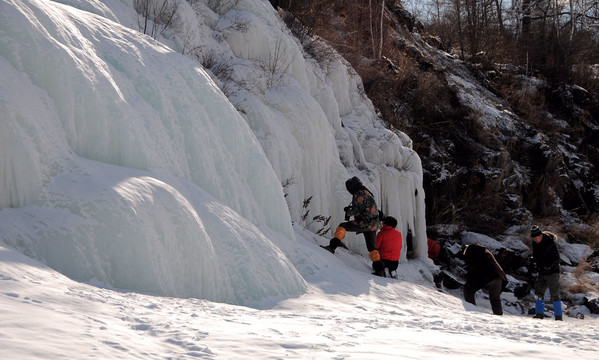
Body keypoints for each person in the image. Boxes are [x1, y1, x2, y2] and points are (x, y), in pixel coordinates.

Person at [321, 176, 383, 272]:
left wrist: (348, 212)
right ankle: (380, 271)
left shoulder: (359, 194)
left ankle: (332, 247)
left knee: (343, 226)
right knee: (372, 248)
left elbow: (357, 211)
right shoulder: (367, 192)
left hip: (364, 223)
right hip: (374, 224)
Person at [462, 243, 508, 315]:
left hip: (486, 277)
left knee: (467, 289)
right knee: (495, 299)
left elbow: (473, 270)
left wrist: (468, 279)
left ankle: (472, 311)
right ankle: (499, 316)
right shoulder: (486, 252)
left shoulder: (471, 254)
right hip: (498, 277)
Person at [530, 225, 563, 320]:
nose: (535, 240)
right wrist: (533, 262)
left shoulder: (550, 243)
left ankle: (558, 317)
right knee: (538, 293)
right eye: (533, 238)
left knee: (555, 295)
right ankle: (539, 314)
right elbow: (535, 256)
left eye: (536, 238)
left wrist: (548, 267)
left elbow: (557, 259)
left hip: (553, 272)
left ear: (540, 235)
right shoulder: (535, 243)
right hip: (541, 272)